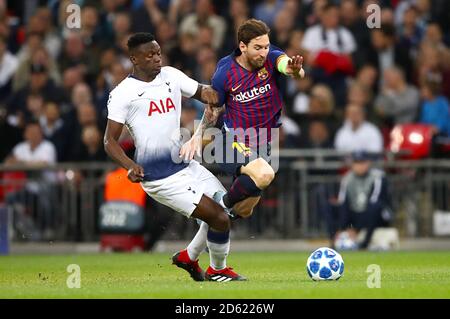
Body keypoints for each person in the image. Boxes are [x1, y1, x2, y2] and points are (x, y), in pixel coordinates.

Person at [104, 33, 245, 282]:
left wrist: (232, 84)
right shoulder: (122, 93)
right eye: (150, 54)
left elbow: (206, 94)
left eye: (158, 52)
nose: (157, 58)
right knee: (219, 218)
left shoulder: (171, 75)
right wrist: (129, 165)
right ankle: (218, 270)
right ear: (134, 59)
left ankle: (188, 257)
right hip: (158, 177)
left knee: (226, 209)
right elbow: (109, 141)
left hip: (184, 163)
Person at [178, 19, 304, 269]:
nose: (264, 52)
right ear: (243, 46)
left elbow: (289, 67)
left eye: (266, 46)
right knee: (265, 173)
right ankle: (217, 260)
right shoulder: (225, 71)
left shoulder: (272, 59)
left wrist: (294, 69)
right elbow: (213, 109)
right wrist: (196, 135)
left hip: (264, 144)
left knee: (243, 210)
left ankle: (191, 254)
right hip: (231, 140)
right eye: (258, 47)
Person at [333, 150, 393, 249]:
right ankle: (335, 240)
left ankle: (365, 243)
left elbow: (375, 200)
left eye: (362, 162)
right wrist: (345, 227)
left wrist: (356, 229)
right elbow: (343, 202)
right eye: (357, 162)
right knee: (330, 207)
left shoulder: (378, 177)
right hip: (357, 214)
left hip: (379, 216)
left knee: (374, 207)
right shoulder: (347, 178)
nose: (359, 166)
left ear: (368, 163)